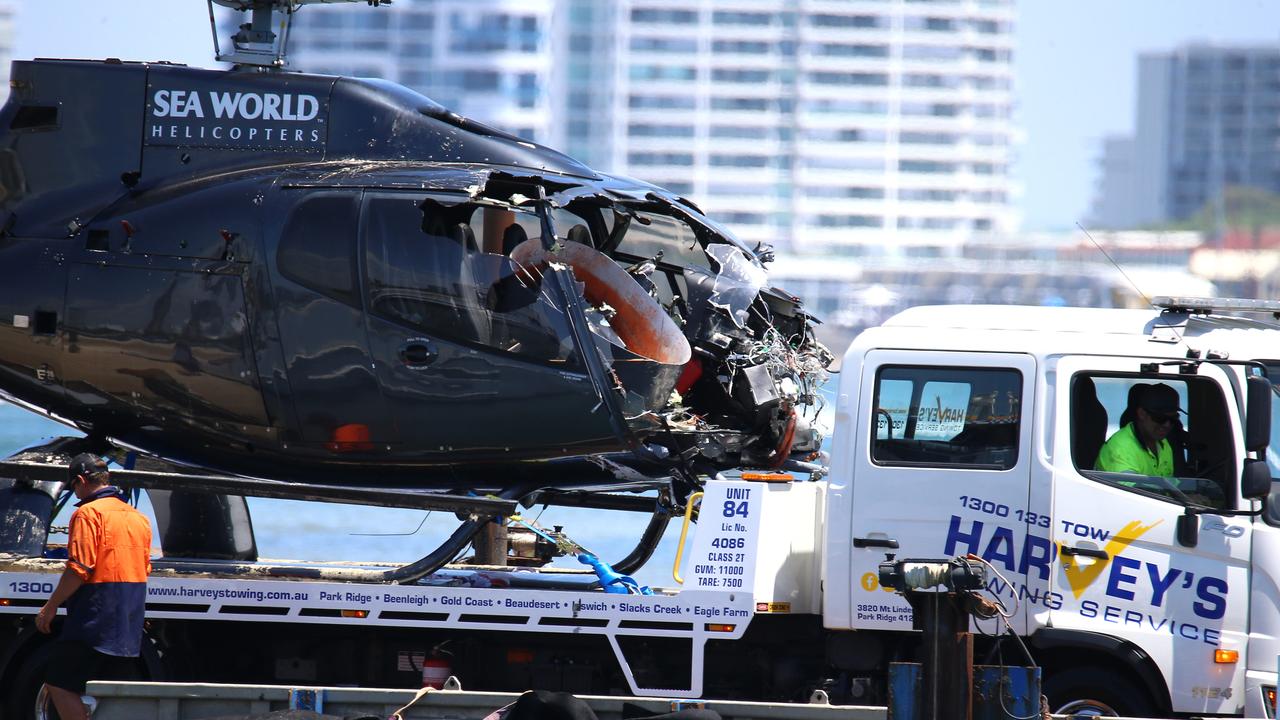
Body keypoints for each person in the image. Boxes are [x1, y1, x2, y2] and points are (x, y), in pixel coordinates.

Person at [34, 453, 152, 720]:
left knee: (59, 683)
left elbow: (80, 567)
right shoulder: (137, 517)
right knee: (109, 693)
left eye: (73, 487)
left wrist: (50, 607)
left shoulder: (88, 513)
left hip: (95, 616)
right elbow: (144, 567)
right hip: (129, 616)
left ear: (79, 481)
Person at [1095, 383, 1181, 477]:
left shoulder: (1163, 443)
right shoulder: (1120, 449)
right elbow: (1129, 490)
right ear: (1142, 414)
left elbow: (1170, 486)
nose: (1167, 425)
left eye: (1173, 418)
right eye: (1160, 418)